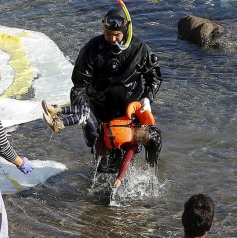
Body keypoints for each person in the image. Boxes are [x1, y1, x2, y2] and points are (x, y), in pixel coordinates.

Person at [41, 6, 162, 149]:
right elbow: (79, 86)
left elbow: (154, 77)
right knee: (100, 149)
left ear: (125, 31)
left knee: (128, 146)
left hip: (129, 112)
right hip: (98, 109)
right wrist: (83, 112)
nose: (112, 38)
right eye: (107, 33)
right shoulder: (92, 49)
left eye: (116, 34)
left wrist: (147, 99)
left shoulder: (139, 50)